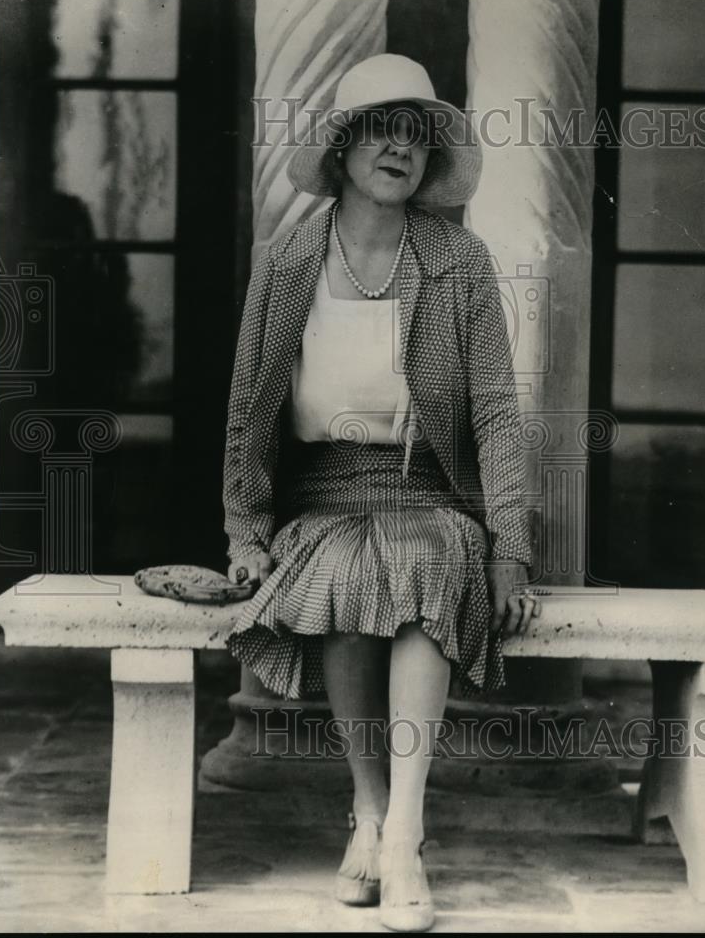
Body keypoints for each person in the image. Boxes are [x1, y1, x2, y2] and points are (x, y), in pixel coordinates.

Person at [223, 53, 539, 932]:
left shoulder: (458, 260)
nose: (399, 147)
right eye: (380, 128)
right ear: (341, 148)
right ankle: (367, 809)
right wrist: (247, 536)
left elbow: (498, 415)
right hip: (323, 492)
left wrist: (508, 546)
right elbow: (248, 409)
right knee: (340, 577)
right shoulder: (288, 260)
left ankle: (402, 833)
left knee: (424, 560)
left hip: (430, 492)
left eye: (416, 133)